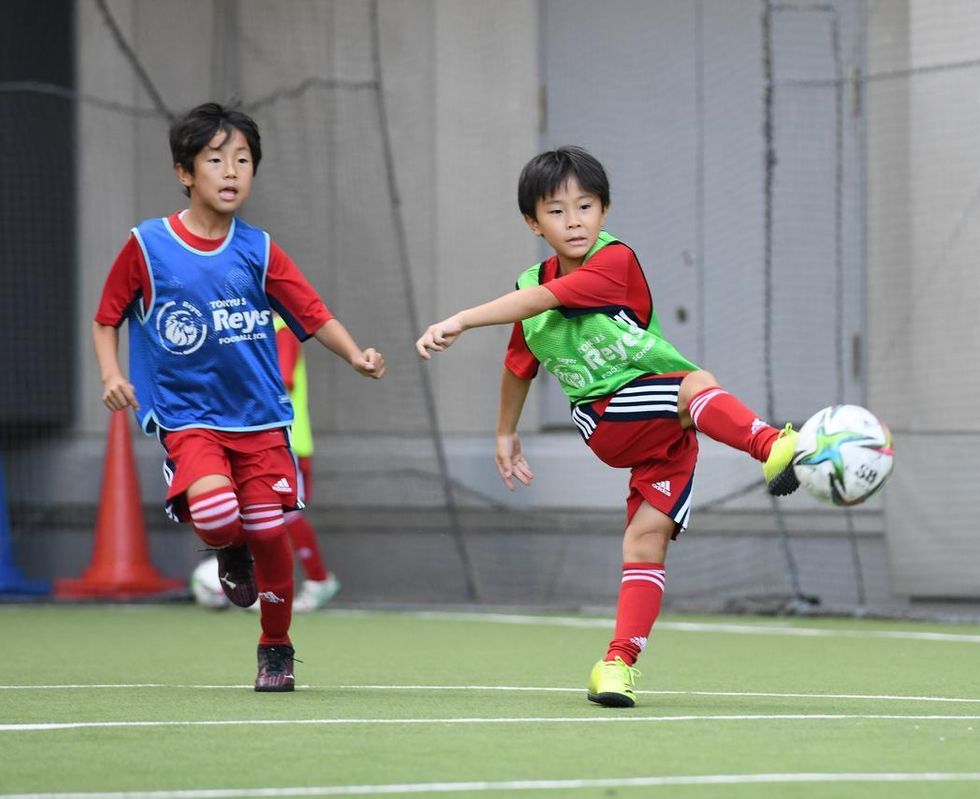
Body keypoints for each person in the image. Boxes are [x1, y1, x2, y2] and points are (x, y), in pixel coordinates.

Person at [415, 146, 803, 708]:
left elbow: (543, 300)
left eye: (586, 206)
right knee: (694, 384)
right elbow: (519, 361)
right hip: (609, 416)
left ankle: (615, 666)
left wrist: (460, 319)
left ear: (605, 211)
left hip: (668, 431)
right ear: (532, 222)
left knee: (645, 542)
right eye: (556, 210)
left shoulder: (614, 262)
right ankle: (771, 444)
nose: (573, 220)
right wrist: (505, 431)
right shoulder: (532, 287)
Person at [93, 102, 385, 692]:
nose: (231, 172)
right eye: (216, 159)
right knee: (221, 514)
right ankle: (229, 552)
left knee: (271, 532)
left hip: (258, 420)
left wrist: (355, 354)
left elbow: (311, 312)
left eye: (243, 160)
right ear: (185, 172)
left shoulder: (259, 249)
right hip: (188, 417)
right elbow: (106, 317)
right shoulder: (148, 246)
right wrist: (110, 374)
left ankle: (275, 647)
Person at [273, 314, 341, 612]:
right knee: (263, 515)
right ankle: (264, 586)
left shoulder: (281, 331)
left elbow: (282, 380)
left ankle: (318, 579)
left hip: (288, 442)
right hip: (268, 441)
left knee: (286, 514)